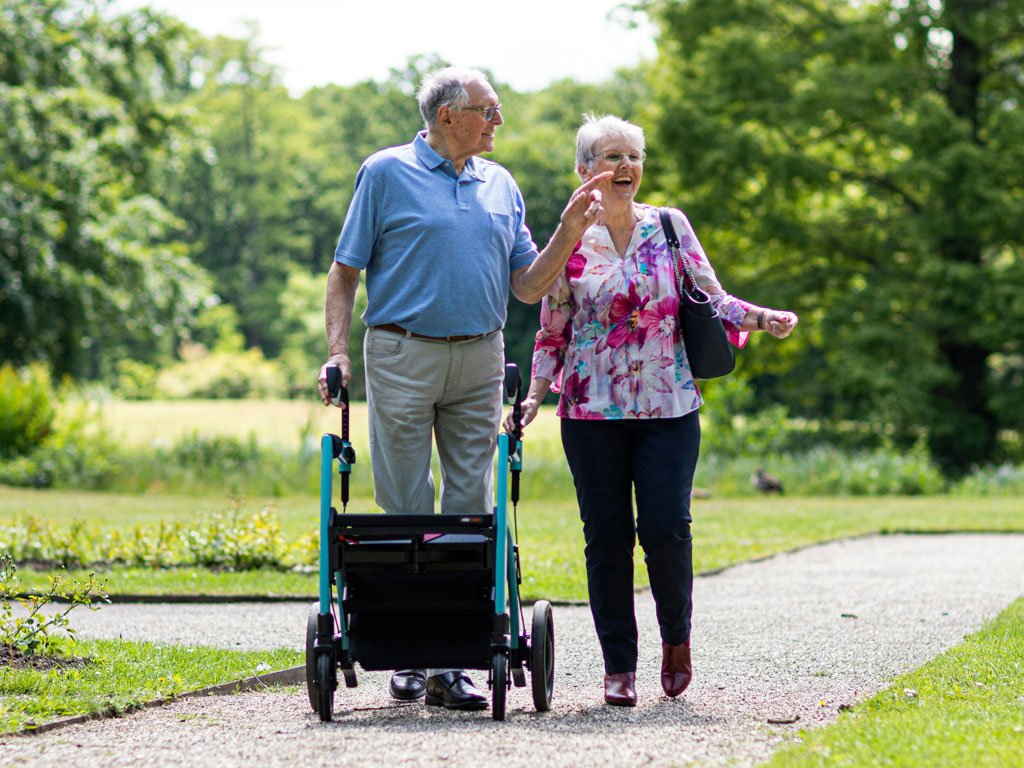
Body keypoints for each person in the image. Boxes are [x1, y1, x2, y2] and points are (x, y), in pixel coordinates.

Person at [317, 69, 611, 711]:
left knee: (470, 508)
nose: (498, 121)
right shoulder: (386, 172)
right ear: (448, 116)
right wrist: (338, 351)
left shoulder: (500, 184)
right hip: (399, 352)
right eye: (489, 110)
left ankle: (452, 661)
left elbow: (529, 287)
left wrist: (567, 228)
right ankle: (408, 654)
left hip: (481, 356)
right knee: (405, 505)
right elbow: (344, 273)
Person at [505, 114, 798, 707]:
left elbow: (710, 298)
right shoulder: (568, 240)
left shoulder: (668, 225)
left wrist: (762, 318)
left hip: (669, 404)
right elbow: (552, 327)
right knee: (606, 537)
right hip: (589, 411)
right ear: (584, 171)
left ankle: (676, 641)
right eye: (612, 157)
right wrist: (535, 395)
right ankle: (619, 664)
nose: (626, 167)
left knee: (665, 528)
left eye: (634, 156)